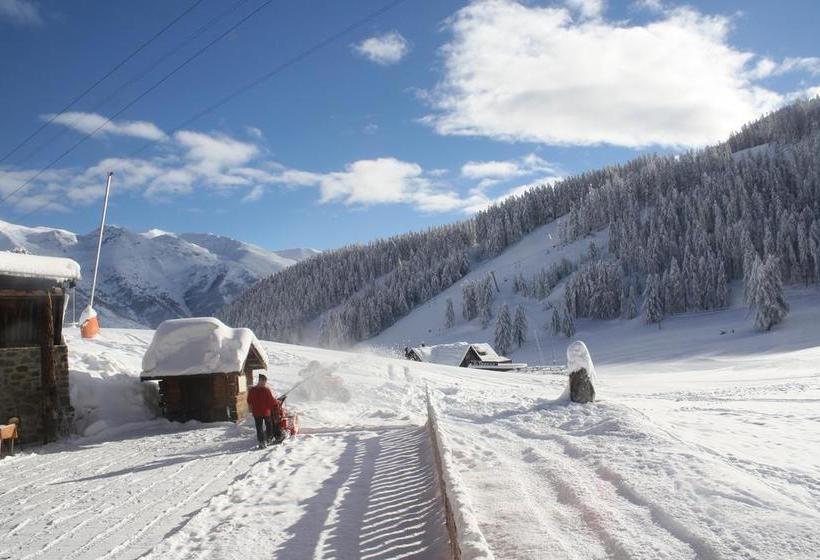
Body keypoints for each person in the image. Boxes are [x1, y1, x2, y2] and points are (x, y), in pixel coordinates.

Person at [247, 374, 284, 448]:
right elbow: (271, 401)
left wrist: (252, 406)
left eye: (265, 382)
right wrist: (278, 402)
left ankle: (261, 442)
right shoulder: (266, 390)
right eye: (263, 382)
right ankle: (268, 439)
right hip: (265, 412)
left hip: (256, 412)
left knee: (259, 427)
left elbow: (249, 400)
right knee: (269, 426)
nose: (264, 383)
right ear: (260, 381)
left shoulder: (252, 390)